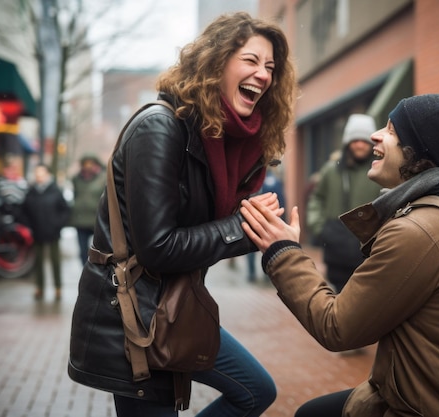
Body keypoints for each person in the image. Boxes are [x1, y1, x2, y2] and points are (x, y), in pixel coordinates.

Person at [240, 94, 439, 417]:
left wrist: (284, 250)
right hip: (437, 391)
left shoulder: (419, 231)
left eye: (390, 130)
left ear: (415, 152)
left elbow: (337, 326)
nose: (374, 135)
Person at [68, 12, 297, 417]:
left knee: (255, 390)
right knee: (253, 391)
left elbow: (197, 239)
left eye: (271, 67)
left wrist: (264, 232)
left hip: (174, 311)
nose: (263, 75)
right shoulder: (161, 128)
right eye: (250, 60)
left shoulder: (216, 138)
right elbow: (159, 248)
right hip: (134, 319)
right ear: (216, 61)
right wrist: (247, 227)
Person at [306, 114, 382, 292]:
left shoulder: (380, 171)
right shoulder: (330, 171)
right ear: (347, 141)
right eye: (355, 140)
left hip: (369, 254)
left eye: (364, 140)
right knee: (339, 302)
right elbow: (316, 198)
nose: (360, 144)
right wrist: (320, 228)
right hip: (336, 254)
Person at [21, 163, 71, 301]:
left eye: (42, 174)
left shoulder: (55, 190)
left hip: (53, 232)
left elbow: (65, 210)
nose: (39, 177)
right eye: (37, 174)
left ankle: (58, 288)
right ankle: (39, 288)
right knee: (38, 261)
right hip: (36, 232)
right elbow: (23, 211)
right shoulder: (31, 192)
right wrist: (29, 226)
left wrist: (58, 224)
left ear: (48, 175)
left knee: (55, 261)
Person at [69, 154, 105, 265]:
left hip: (97, 220)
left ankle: (99, 271)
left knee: (100, 250)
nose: (88, 167)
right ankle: (85, 271)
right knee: (83, 251)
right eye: (85, 164)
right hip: (81, 220)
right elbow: (75, 195)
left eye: (91, 164)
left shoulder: (103, 178)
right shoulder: (76, 179)